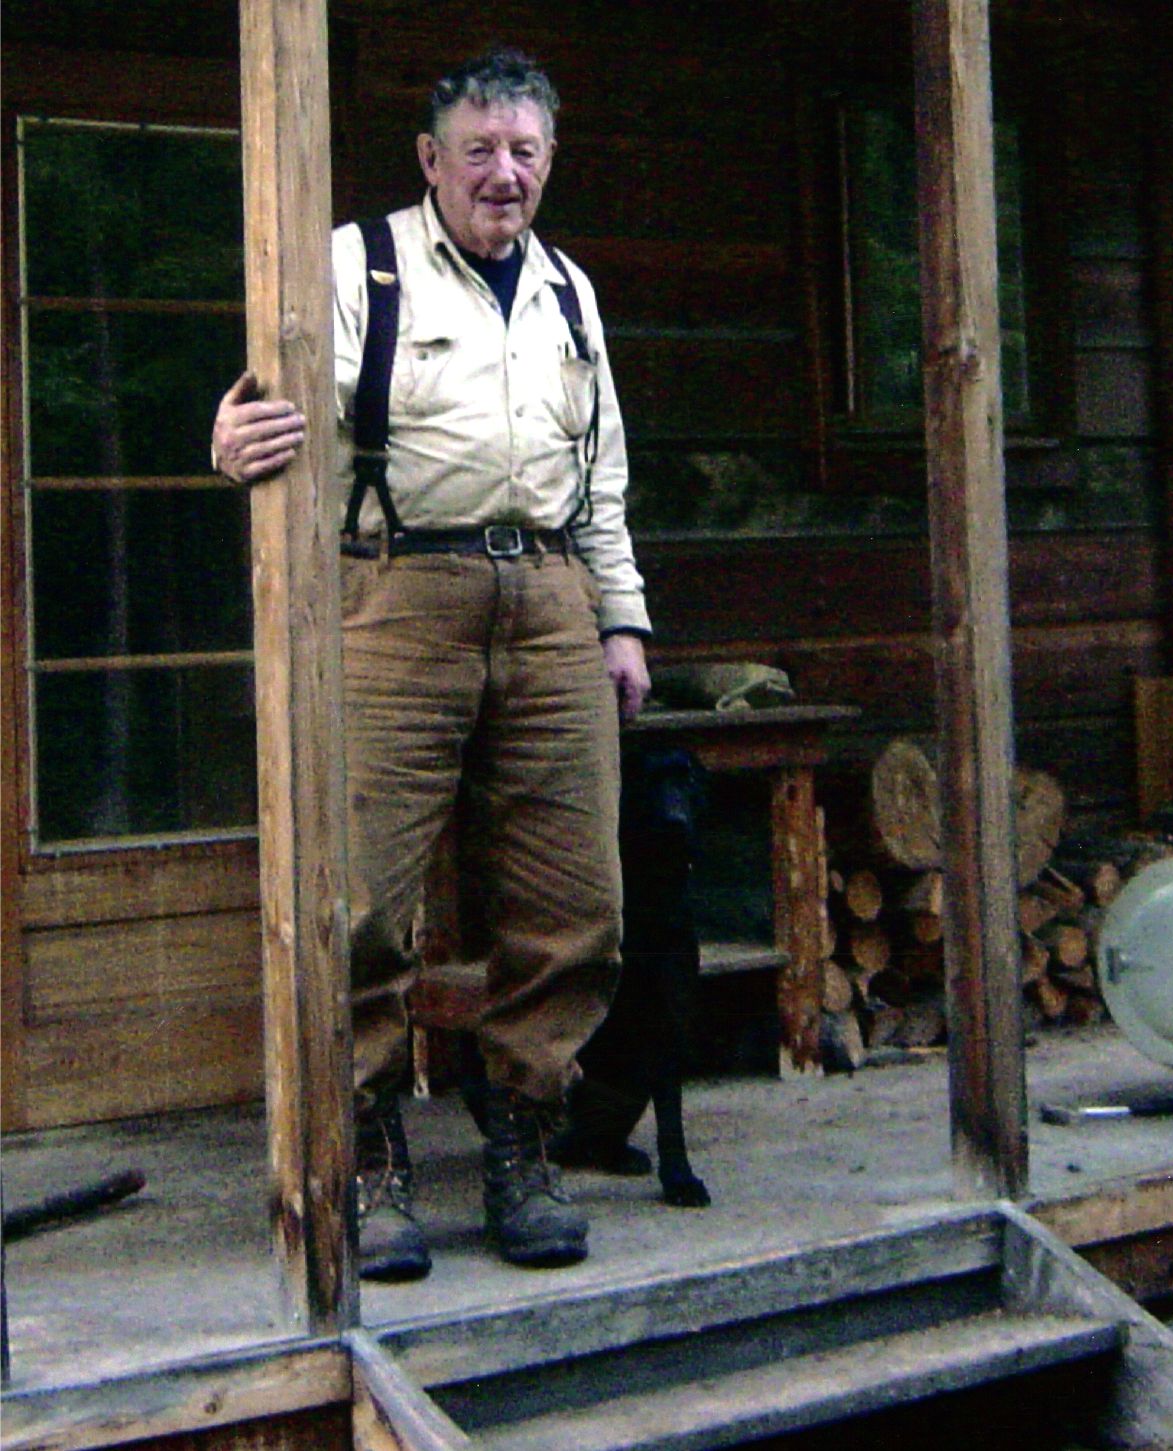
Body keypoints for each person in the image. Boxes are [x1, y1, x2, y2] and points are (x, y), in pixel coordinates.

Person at [212, 48, 651, 1277]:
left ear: (548, 162)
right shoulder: (358, 265)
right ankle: (367, 1158)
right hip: (394, 594)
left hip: (554, 596)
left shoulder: (570, 290)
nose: (502, 175)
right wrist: (226, 435)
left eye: (524, 152)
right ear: (429, 160)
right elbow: (263, 409)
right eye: (478, 151)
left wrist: (620, 622)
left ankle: (524, 1141)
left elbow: (602, 473)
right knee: (355, 897)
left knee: (579, 902)